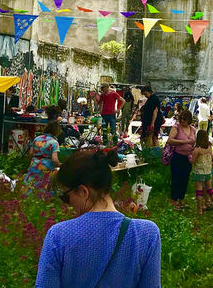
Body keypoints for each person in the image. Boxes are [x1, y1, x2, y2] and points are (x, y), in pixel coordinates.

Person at [36, 150, 161, 287]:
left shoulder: (58, 235)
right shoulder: (147, 234)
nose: (68, 203)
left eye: (66, 196)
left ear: (83, 192)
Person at [166, 110, 197, 211]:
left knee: (185, 178)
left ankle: (181, 198)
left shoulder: (192, 129)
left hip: (188, 157)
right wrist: (184, 142)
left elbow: (195, 141)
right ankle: (174, 199)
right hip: (177, 156)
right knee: (176, 178)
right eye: (181, 118)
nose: (182, 121)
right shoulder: (176, 127)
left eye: (185, 119)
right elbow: (170, 140)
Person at [23, 121, 62, 194]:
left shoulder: (37, 139)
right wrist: (60, 164)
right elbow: (54, 159)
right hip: (46, 166)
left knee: (30, 184)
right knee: (43, 186)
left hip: (34, 164)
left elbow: (31, 153)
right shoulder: (54, 142)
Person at [189, 129, 213, 215]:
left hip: (198, 173)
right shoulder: (209, 148)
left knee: (199, 191)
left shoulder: (197, 149)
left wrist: (189, 157)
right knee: (210, 190)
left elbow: (192, 161)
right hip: (207, 172)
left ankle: (199, 210)